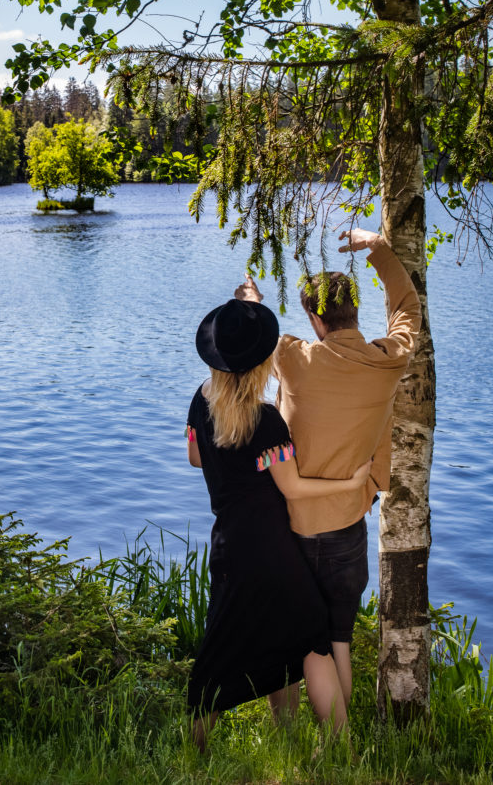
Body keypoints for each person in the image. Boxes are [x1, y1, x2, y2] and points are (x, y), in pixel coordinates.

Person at [235, 227, 421, 710]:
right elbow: (407, 312)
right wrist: (379, 249)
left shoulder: (297, 359)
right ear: (354, 311)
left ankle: (288, 740)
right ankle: (337, 744)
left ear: (316, 319)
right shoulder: (389, 360)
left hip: (292, 528)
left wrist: (253, 301)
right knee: (337, 640)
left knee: (288, 639)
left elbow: (259, 338)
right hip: (347, 530)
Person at [186, 295, 373, 751]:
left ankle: (195, 751)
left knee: (219, 645)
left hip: (229, 545)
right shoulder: (267, 420)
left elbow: (194, 457)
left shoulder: (202, 402)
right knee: (313, 637)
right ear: (261, 365)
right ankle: (342, 751)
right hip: (271, 547)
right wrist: (350, 484)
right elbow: (292, 488)